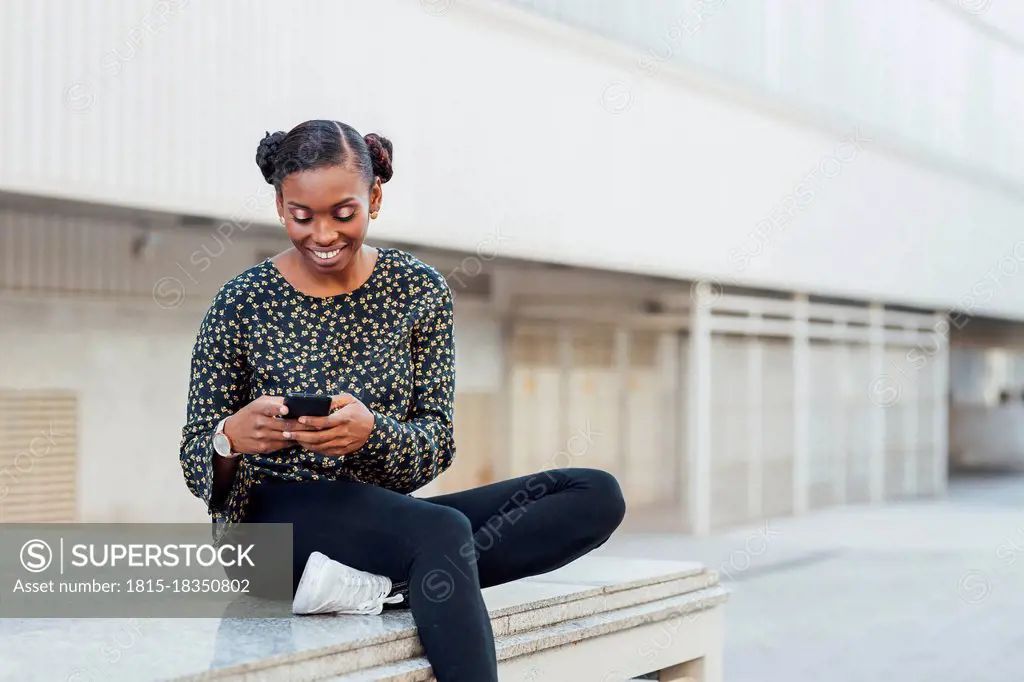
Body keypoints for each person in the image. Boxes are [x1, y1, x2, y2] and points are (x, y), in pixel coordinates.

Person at [178, 119, 626, 682]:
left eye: (343, 214)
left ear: (375, 197)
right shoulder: (240, 302)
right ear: (279, 205)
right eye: (302, 216)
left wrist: (374, 434)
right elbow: (197, 463)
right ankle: (414, 568)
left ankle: (390, 579)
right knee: (440, 533)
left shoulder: (419, 291)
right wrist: (230, 439)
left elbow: (437, 442)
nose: (322, 234)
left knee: (593, 494)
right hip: (268, 530)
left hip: (385, 517)